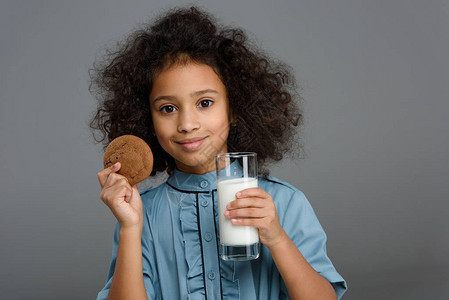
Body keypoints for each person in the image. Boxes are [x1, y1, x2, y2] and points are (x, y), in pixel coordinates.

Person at [90, 6, 347, 300]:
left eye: (205, 103)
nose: (187, 124)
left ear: (234, 107)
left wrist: (276, 238)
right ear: (148, 119)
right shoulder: (140, 213)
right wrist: (130, 228)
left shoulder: (285, 203)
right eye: (168, 108)